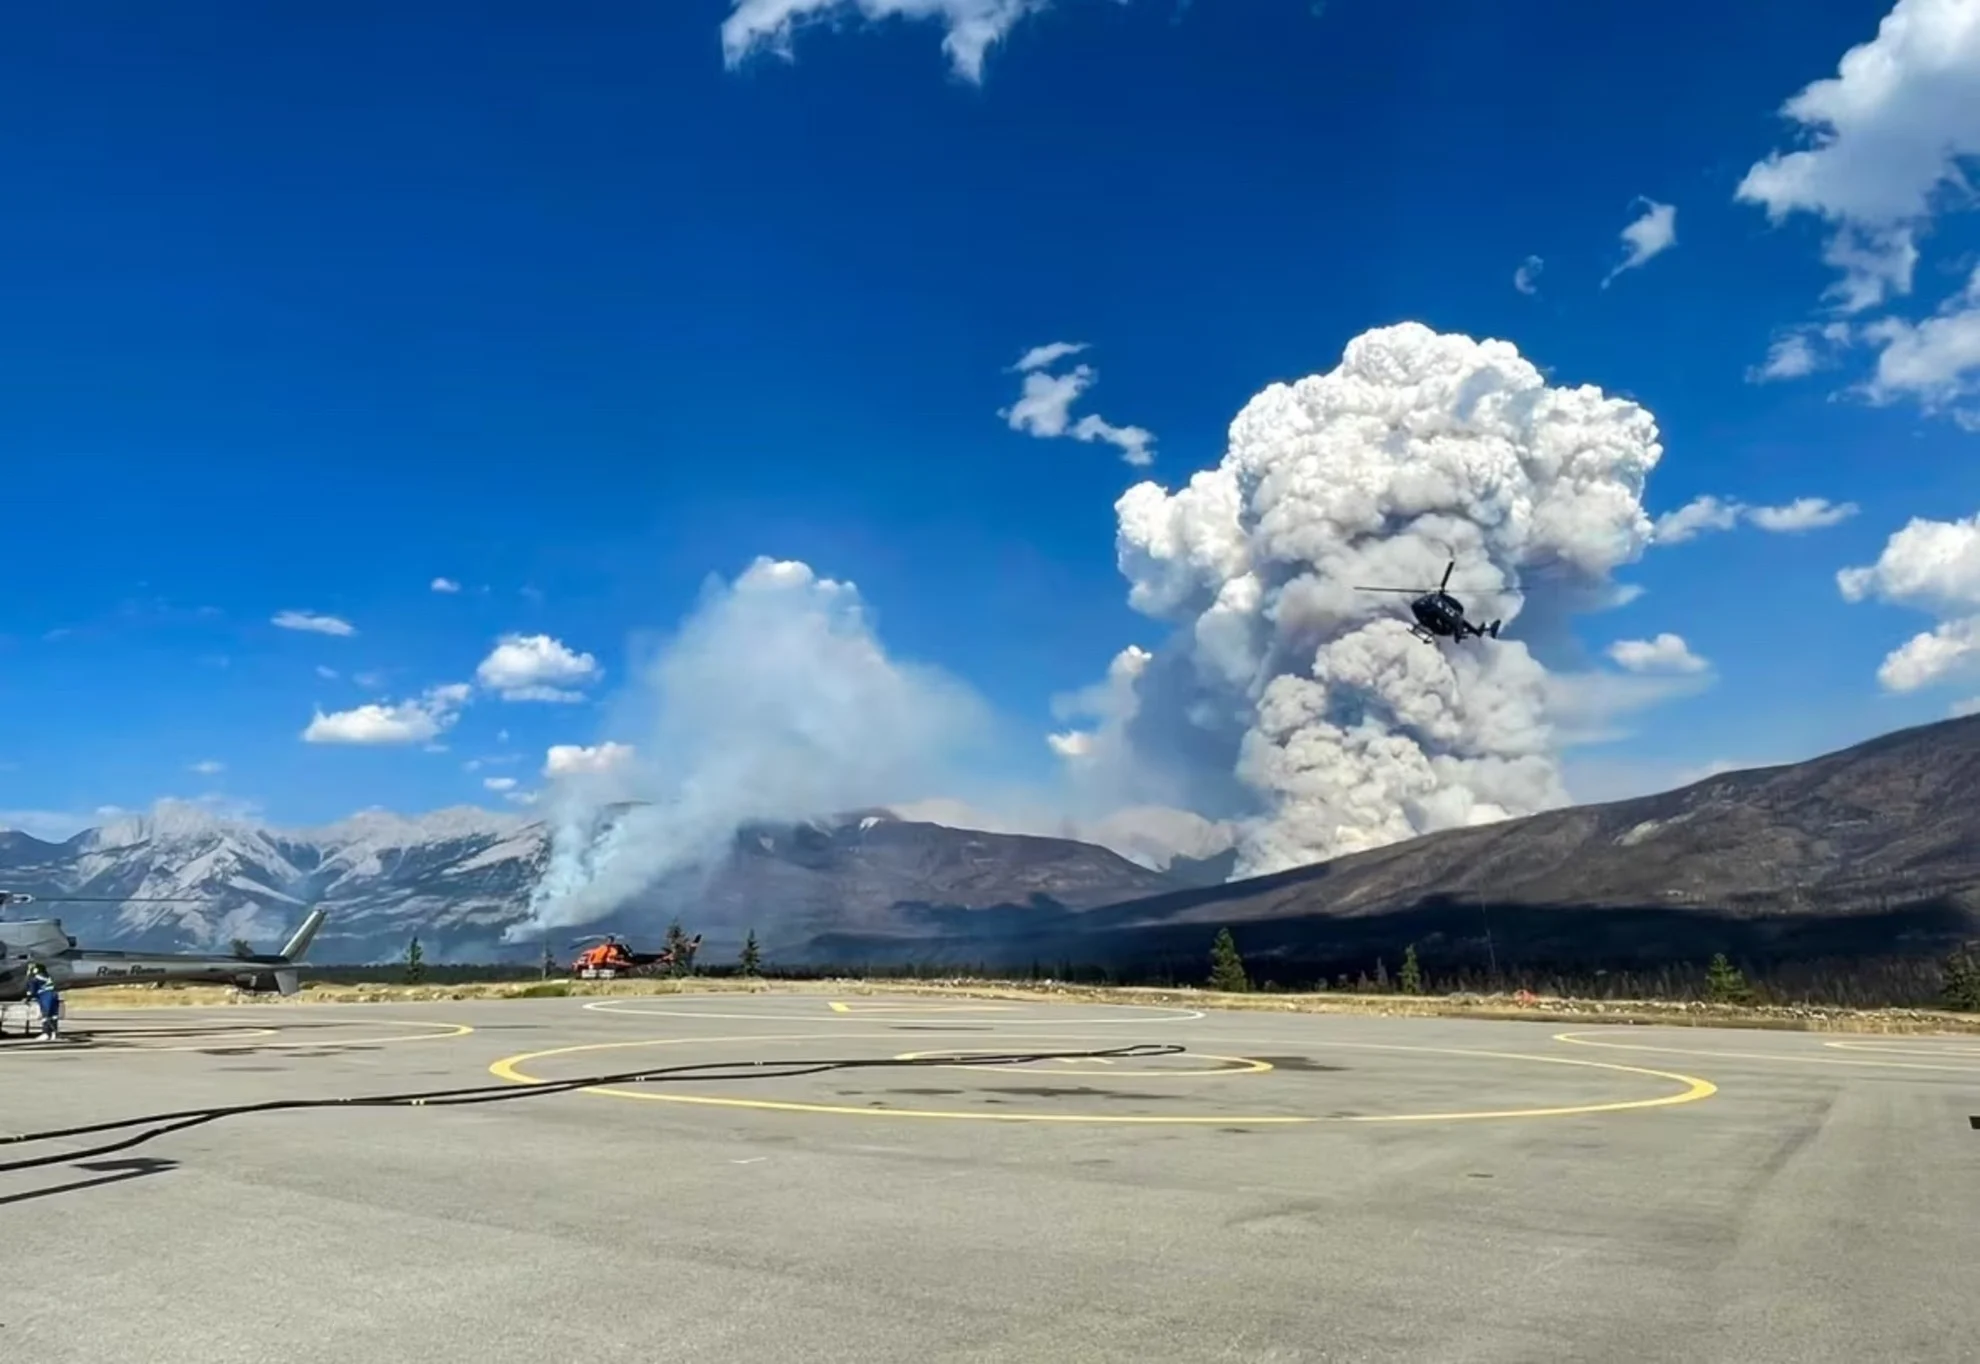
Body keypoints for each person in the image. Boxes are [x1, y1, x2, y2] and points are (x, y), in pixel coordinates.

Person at [25, 963, 60, 1042]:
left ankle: (46, 1033)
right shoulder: (46, 976)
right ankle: (54, 1033)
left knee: (45, 1014)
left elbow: (31, 990)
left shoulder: (34, 977)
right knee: (53, 1015)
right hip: (54, 994)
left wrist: (28, 998)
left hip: (45, 995)